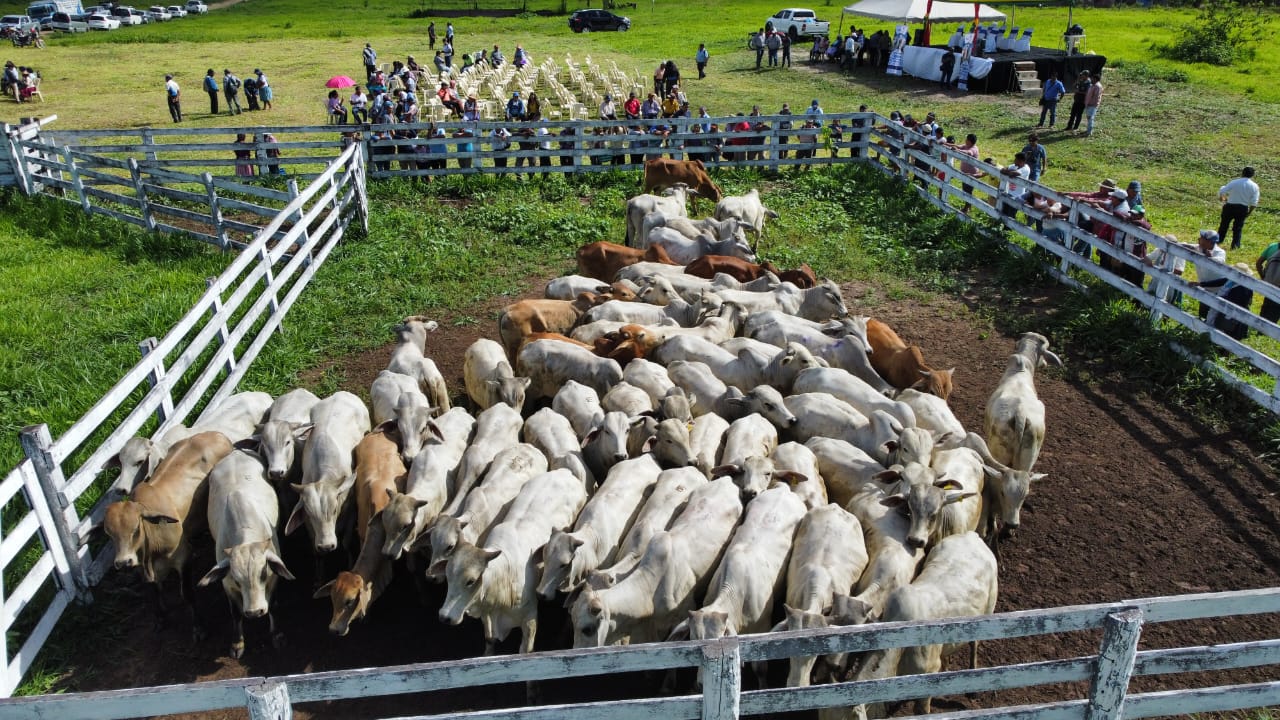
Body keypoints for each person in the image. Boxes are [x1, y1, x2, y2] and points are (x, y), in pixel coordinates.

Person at [1206, 263, 1256, 340]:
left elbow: (1236, 300)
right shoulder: (1232, 281)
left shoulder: (1244, 288)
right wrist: (1202, 284)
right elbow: (1221, 281)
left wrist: (1216, 298)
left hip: (1235, 315)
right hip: (1226, 309)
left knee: (1229, 334)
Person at [1189, 229, 1229, 320]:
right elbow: (1186, 245)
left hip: (1217, 289)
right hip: (1204, 286)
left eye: (1202, 238)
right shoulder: (1199, 248)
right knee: (1203, 313)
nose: (1199, 239)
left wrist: (1210, 258)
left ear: (1209, 242)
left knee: (1215, 315)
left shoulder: (1220, 252)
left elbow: (1220, 261)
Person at [1218, 166, 1260, 250]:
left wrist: (1223, 199)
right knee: (1238, 228)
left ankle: (1218, 241)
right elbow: (1254, 202)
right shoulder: (1254, 186)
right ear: (1253, 175)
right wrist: (1249, 212)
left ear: (1242, 173)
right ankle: (1235, 246)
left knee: (1223, 225)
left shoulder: (1234, 182)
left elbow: (1222, 190)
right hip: (1242, 208)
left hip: (1230, 206)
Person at [1144, 234, 1186, 306]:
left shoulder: (1179, 255)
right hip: (1157, 279)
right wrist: (1148, 260)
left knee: (1167, 301)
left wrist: (1165, 267)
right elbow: (1148, 257)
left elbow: (1180, 271)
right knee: (1151, 294)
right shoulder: (1160, 250)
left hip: (1171, 282)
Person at [945, 133, 982, 214]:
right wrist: (946, 144)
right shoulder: (967, 145)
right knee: (965, 189)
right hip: (965, 173)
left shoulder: (973, 148)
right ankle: (968, 206)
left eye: (966, 140)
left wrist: (958, 150)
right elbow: (958, 146)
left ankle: (967, 208)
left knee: (968, 191)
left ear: (969, 141)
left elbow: (969, 153)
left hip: (971, 174)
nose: (965, 141)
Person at [1254, 239, 1280, 323]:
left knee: (1266, 306)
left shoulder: (1274, 249)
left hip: (1269, 284)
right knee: (1274, 311)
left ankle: (1259, 327)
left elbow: (1258, 263)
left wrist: (1264, 277)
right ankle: (1265, 331)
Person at [999, 152, 1030, 217]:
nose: (1014, 161)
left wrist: (1009, 173)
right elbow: (1002, 170)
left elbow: (1014, 174)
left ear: (1022, 161)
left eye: (1016, 159)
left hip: (1017, 196)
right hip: (1009, 193)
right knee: (1004, 211)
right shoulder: (1014, 166)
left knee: (1011, 214)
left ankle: (1009, 227)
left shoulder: (1026, 169)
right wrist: (1010, 172)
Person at [1083, 70, 1103, 137]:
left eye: (1092, 78)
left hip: (1092, 105)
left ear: (1095, 79)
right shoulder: (1092, 85)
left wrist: (1092, 104)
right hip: (1088, 104)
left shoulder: (1097, 86)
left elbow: (1096, 97)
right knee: (1088, 118)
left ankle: (1089, 132)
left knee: (1090, 118)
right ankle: (1088, 130)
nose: (1091, 79)